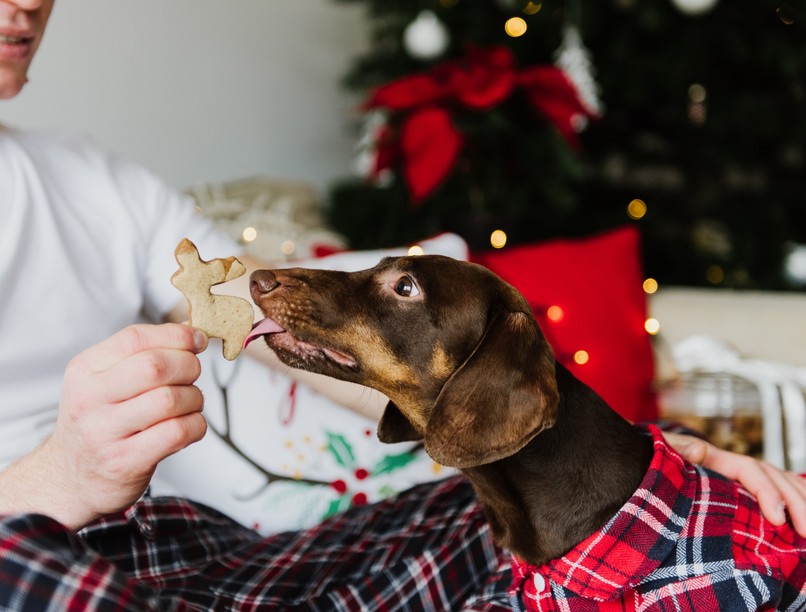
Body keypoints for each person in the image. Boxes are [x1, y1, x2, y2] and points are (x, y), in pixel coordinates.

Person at [0, 1, 804, 609]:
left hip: (179, 541)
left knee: (491, 509)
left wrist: (653, 467)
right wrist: (57, 478)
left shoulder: (92, 179)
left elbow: (265, 304)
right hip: (34, 551)